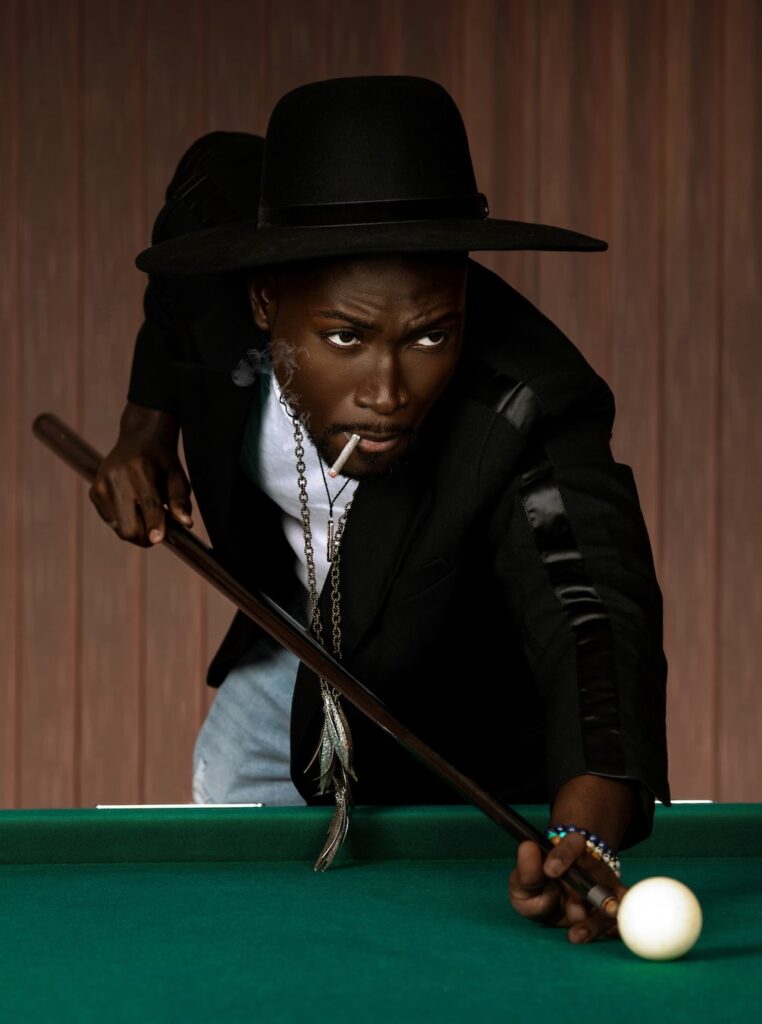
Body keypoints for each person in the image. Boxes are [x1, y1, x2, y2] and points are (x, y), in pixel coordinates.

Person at [90, 76, 669, 942]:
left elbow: (592, 616)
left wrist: (585, 828)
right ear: (263, 299)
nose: (389, 393)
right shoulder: (215, 264)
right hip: (292, 638)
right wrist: (144, 429)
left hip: (453, 690)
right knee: (245, 908)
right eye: (345, 339)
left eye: (431, 334)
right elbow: (175, 282)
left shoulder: (525, 407)